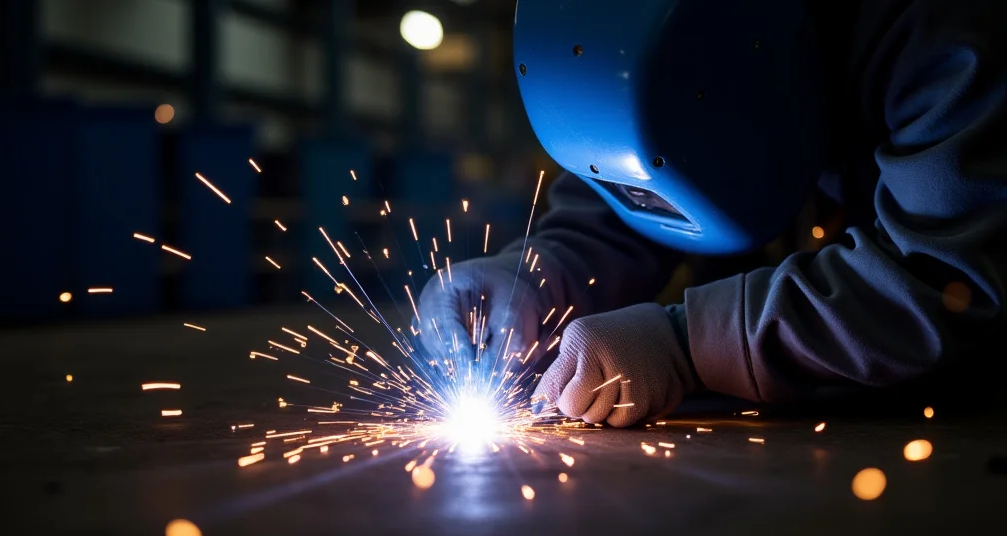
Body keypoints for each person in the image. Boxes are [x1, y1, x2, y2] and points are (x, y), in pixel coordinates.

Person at [417, 0, 1007, 427]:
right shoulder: (664, 63)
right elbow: (643, 185)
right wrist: (539, 275)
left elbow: (945, 276)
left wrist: (689, 342)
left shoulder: (947, 37)